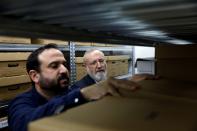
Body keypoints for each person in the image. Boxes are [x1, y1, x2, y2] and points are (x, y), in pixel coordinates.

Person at [8, 44, 140, 131]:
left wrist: (131, 84)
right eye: (54, 66)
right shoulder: (21, 102)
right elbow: (24, 123)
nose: (64, 70)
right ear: (35, 76)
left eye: (64, 64)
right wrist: (83, 95)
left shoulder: (70, 93)